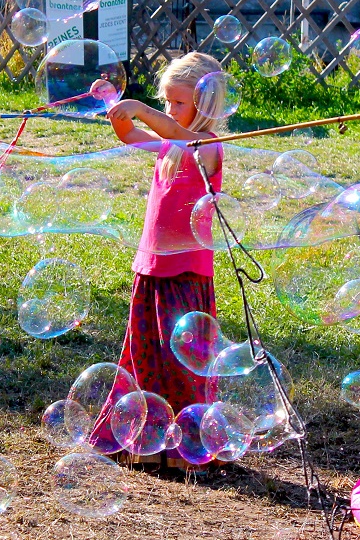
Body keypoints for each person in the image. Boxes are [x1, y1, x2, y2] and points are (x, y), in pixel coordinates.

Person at [91, 51, 227, 470]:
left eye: (179, 103)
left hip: (185, 271)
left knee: (182, 360)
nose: (170, 111)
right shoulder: (170, 144)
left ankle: (189, 448)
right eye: (166, 101)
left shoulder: (209, 147)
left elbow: (180, 137)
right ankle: (145, 441)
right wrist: (120, 116)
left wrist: (144, 110)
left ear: (205, 105)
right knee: (146, 355)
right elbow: (131, 137)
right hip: (152, 266)